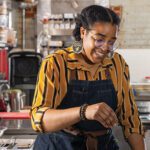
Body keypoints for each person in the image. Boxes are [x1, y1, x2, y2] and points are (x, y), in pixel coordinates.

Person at [31, 5, 145, 150]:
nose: (105, 48)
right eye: (99, 39)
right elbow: (38, 119)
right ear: (83, 32)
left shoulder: (117, 64)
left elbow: (131, 120)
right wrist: (83, 112)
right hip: (59, 145)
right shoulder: (56, 63)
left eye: (111, 42)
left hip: (103, 145)